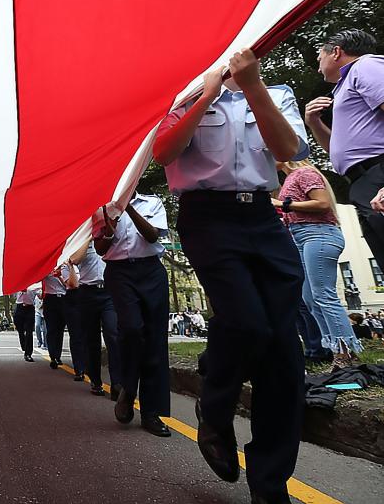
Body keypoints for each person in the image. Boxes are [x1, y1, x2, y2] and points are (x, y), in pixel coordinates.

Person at [154, 49, 308, 503]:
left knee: (284, 357)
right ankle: (214, 409)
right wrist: (206, 95)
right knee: (246, 323)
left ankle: (269, 484)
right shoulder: (180, 98)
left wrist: (254, 86)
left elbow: (289, 151)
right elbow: (164, 151)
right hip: (207, 218)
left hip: (263, 216)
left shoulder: (275, 92)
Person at [93, 191, 171, 438]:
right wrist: (108, 229)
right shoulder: (101, 208)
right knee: (130, 329)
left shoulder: (152, 202)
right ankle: (128, 387)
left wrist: (128, 209)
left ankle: (151, 413)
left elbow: (152, 236)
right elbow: (99, 248)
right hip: (119, 274)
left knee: (155, 340)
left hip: (151, 271)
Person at [305, 30, 384, 267]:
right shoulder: (344, 85)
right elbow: (337, 150)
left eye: (320, 58)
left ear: (336, 52)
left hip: (378, 172)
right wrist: (314, 123)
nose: (318, 66)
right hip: (362, 180)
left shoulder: (366, 66)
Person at [273, 160, 361, 367]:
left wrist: (282, 204)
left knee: (323, 294)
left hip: (319, 234)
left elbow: (322, 203)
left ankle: (345, 353)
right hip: (302, 237)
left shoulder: (304, 173)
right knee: (310, 298)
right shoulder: (289, 179)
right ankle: (336, 349)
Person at [72, 239, 123, 401]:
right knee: (91, 339)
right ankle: (95, 380)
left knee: (113, 334)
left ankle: (117, 383)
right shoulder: (81, 237)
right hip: (87, 292)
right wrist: (87, 237)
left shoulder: (109, 232)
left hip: (110, 291)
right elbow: (74, 259)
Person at [41, 262, 77, 370]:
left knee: (60, 329)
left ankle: (58, 355)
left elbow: (69, 285)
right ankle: (53, 356)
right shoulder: (46, 265)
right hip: (50, 298)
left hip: (64, 298)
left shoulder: (66, 265)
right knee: (51, 329)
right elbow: (37, 278)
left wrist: (60, 275)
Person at [13, 288, 37, 362]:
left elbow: (40, 295)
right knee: (20, 330)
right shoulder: (18, 284)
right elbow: (13, 295)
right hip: (19, 307)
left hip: (30, 308)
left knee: (29, 331)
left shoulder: (34, 285)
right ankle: (24, 346)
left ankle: (28, 353)